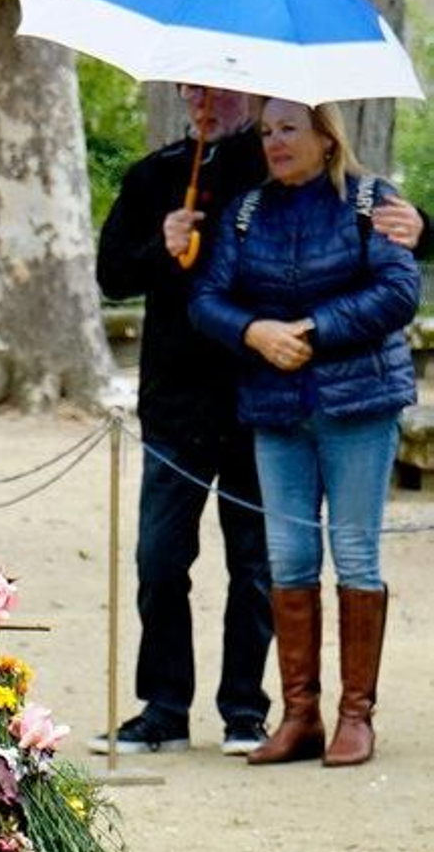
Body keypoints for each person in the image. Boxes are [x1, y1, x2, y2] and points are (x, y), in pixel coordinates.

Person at [93, 88, 425, 758]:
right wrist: (166, 248)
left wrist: (313, 324)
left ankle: (251, 707)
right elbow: (118, 275)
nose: (204, 100)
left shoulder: (302, 173)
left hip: (270, 399)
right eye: (192, 88)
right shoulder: (159, 174)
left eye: (221, 89)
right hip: (188, 402)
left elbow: (402, 246)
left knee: (264, 562)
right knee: (163, 560)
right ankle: (164, 707)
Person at [189, 98, 422, 768]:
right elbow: (207, 298)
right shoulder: (246, 212)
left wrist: (314, 329)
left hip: (358, 404)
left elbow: (398, 290)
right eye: (266, 131)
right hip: (274, 408)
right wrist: (252, 331)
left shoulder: (372, 200)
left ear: (326, 136)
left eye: (288, 128)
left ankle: (356, 715)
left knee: (355, 555)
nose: (274, 142)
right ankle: (299, 716)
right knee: (288, 560)